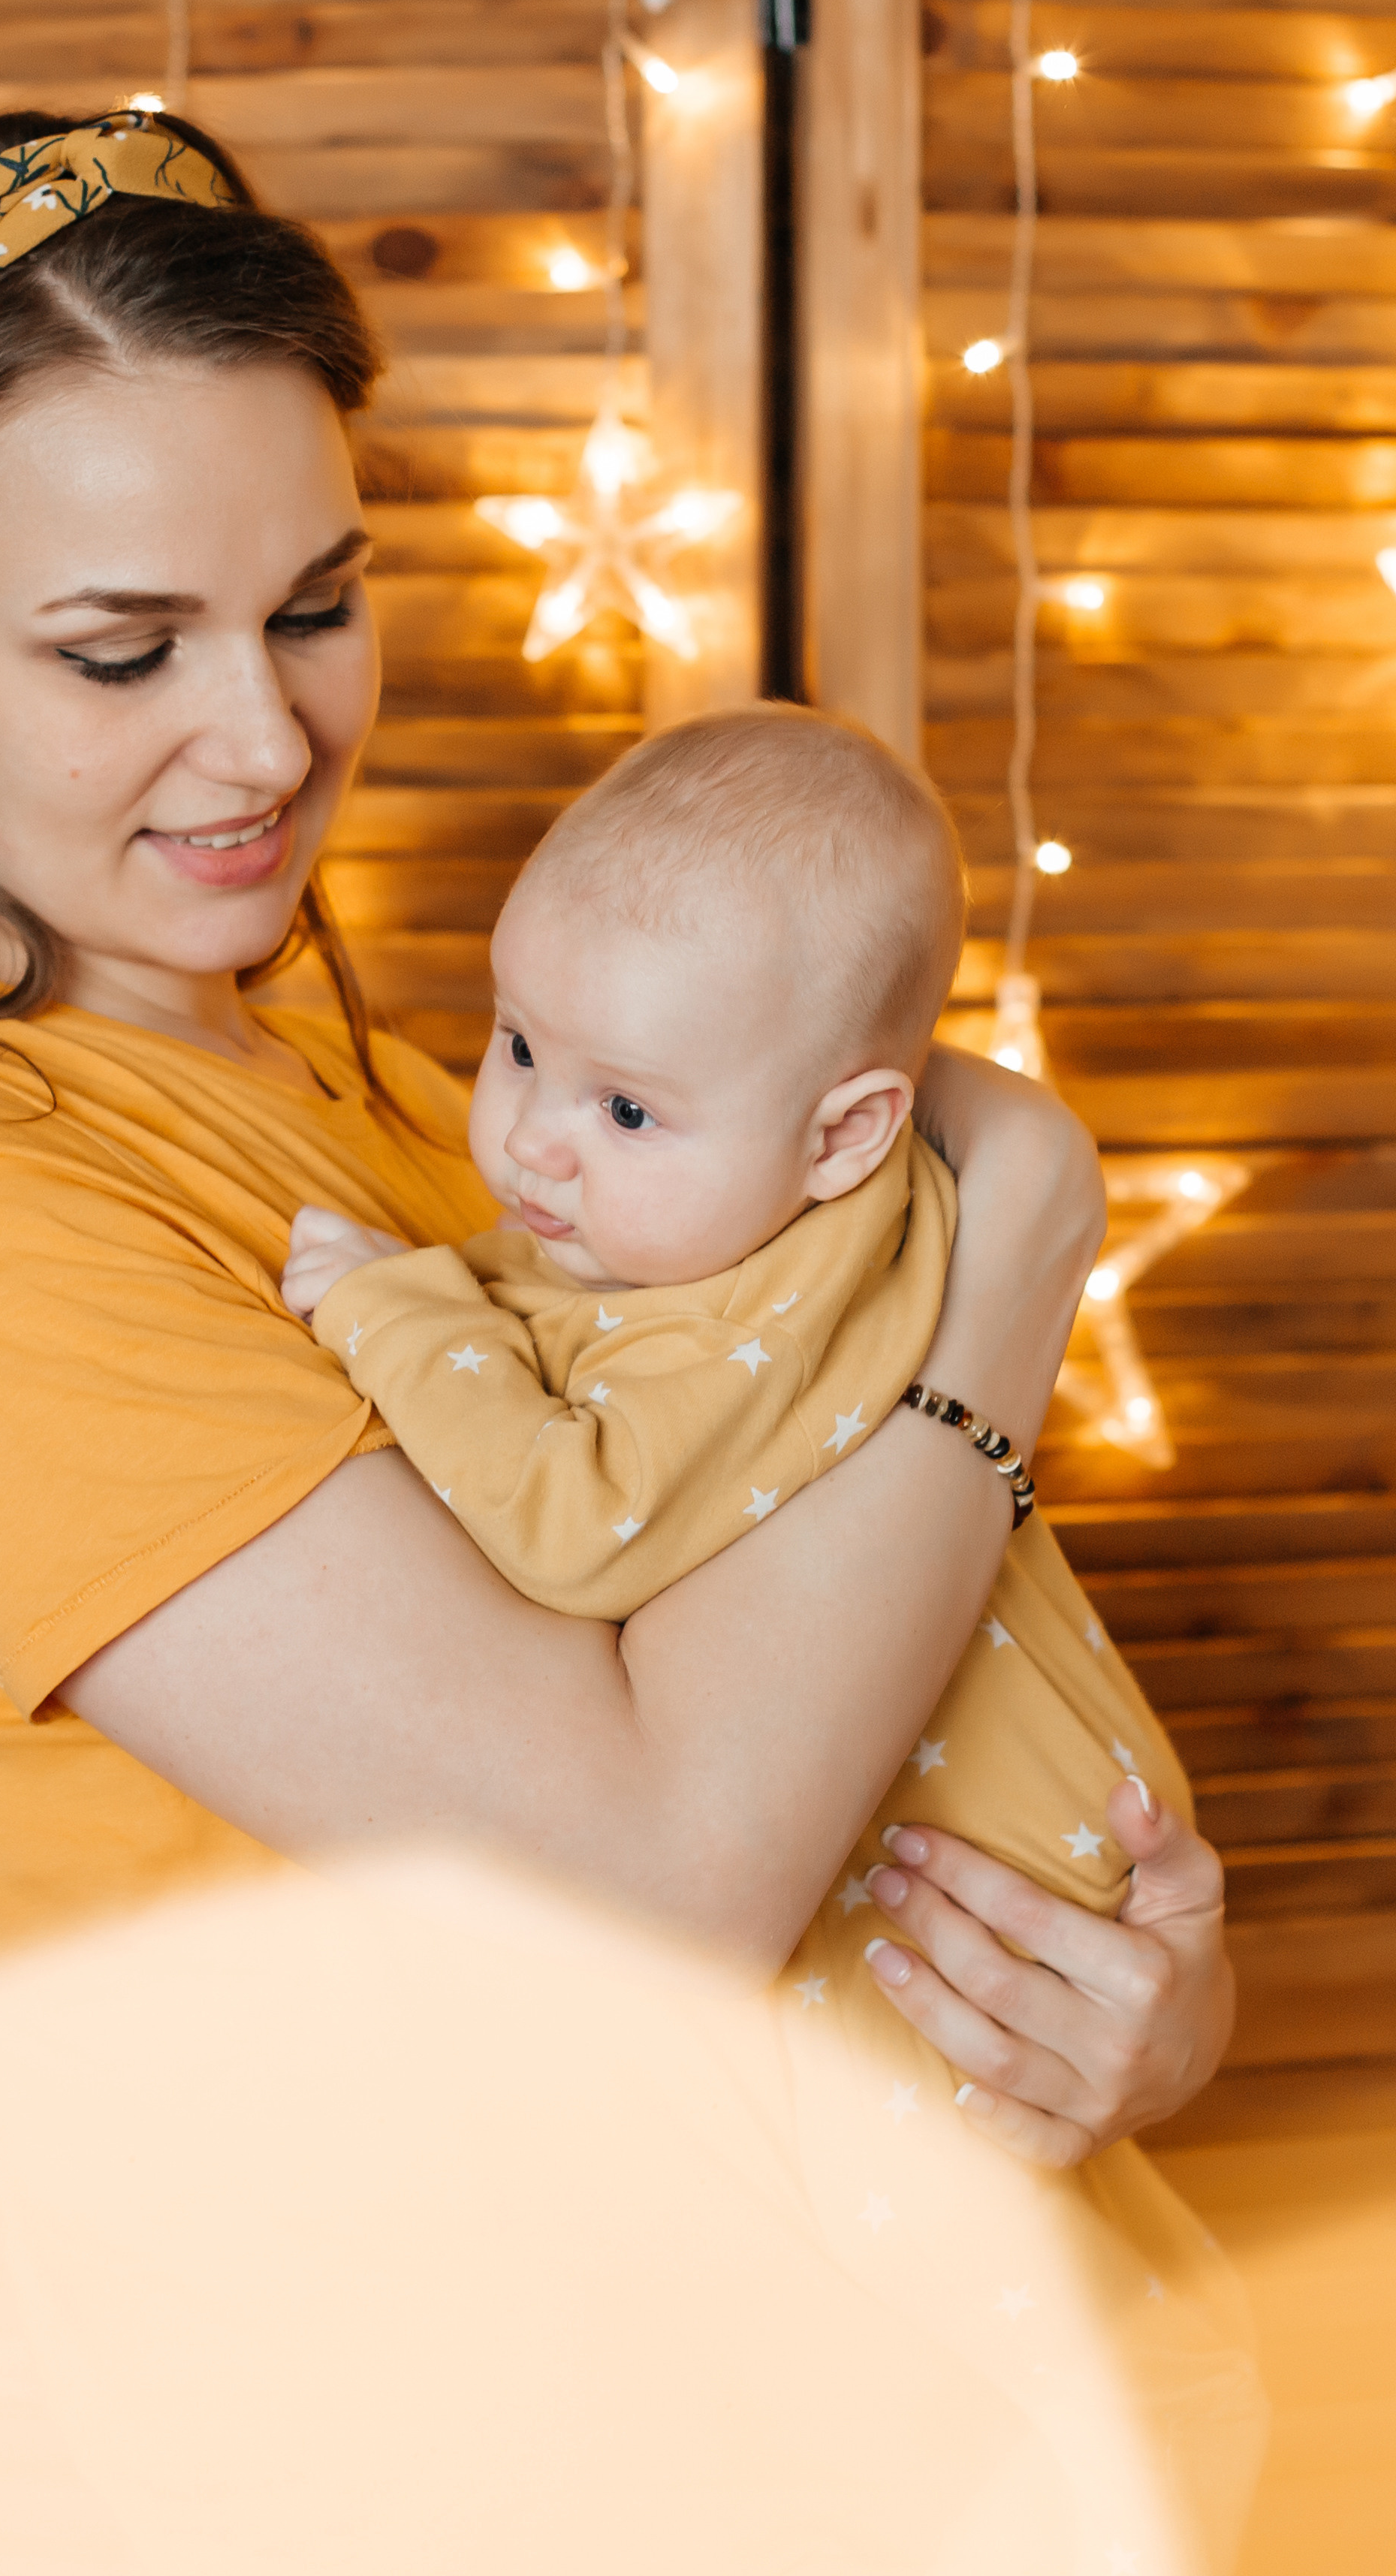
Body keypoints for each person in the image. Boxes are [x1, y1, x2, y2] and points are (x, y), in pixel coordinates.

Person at [0, 105, 1233, 2192]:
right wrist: (1016, 1256)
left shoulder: (427, 1117)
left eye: (317, 604)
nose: (268, 739)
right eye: (122, 648)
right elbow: (656, 1884)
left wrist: (1098, 1993)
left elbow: (812, 1714)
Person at [281, 702, 1261, 2569]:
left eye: (624, 1107)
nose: (535, 1148)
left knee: (919, 2325)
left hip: (948, 1855)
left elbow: (575, 1522)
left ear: (845, 1135)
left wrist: (389, 1317)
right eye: (512, 1048)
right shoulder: (735, 1209)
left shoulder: (755, 1295)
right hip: (941, 1851)